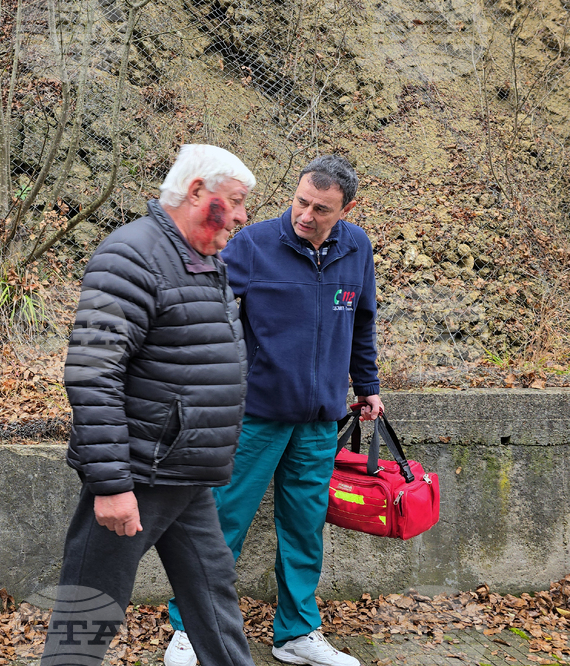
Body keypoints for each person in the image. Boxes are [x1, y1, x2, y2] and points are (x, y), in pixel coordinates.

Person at [41, 145, 257, 666]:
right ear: (197, 191)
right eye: (234, 201)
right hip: (138, 474)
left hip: (185, 473)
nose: (242, 216)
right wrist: (112, 485)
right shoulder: (130, 255)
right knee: (87, 617)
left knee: (214, 601)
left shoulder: (201, 259)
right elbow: (93, 373)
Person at [165, 155, 383, 666]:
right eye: (301, 201)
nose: (306, 214)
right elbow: (206, 309)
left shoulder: (357, 248)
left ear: (346, 210)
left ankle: (297, 634)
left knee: (305, 529)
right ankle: (191, 629)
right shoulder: (254, 244)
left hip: (320, 420)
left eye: (321, 209)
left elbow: (362, 321)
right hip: (255, 416)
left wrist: (368, 385)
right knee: (222, 523)